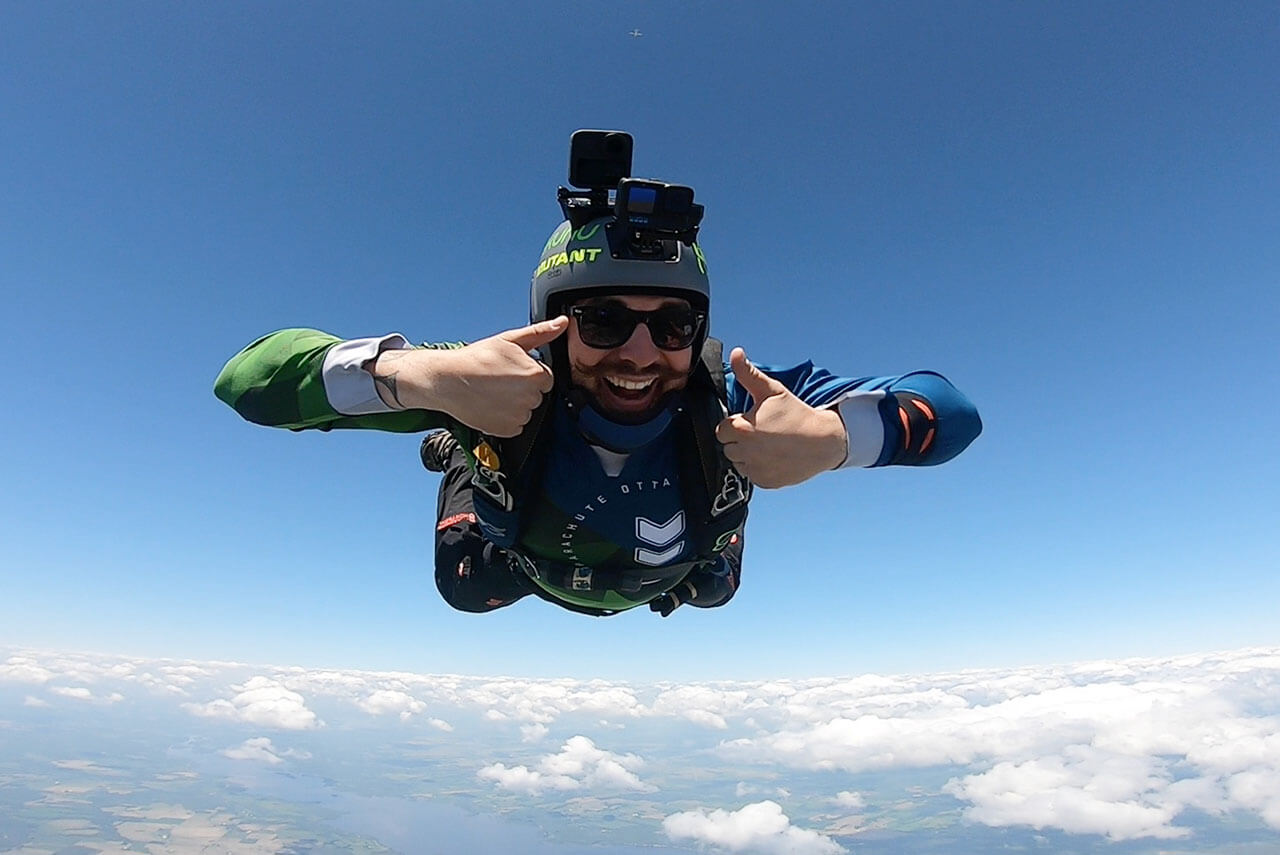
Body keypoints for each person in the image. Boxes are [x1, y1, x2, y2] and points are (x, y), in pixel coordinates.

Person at [214, 134, 981, 618]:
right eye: (605, 321)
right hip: (535, 560)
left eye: (674, 325)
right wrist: (417, 376)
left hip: (668, 568)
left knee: (715, 590)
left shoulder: (736, 390)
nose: (642, 353)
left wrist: (833, 438)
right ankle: (459, 453)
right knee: (465, 586)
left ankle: (706, 522)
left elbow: (953, 414)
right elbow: (248, 382)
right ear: (555, 323)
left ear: (700, 332)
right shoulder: (490, 382)